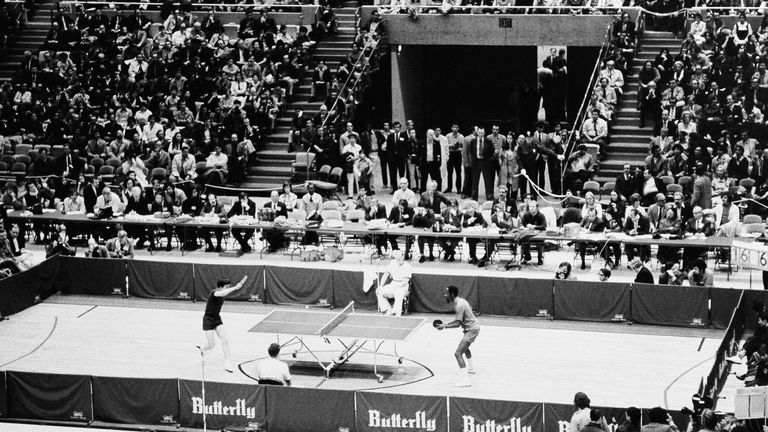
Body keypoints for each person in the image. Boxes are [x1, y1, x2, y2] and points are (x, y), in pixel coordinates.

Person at [200, 276, 248, 373]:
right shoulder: (215, 293)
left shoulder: (221, 293)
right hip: (208, 319)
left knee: (225, 339)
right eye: (227, 287)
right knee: (211, 344)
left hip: (217, 318)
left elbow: (224, 292)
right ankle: (203, 349)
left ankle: (227, 362)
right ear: (221, 287)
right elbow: (222, 293)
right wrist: (235, 288)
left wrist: (234, 288)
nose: (228, 288)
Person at [436, 285, 480, 387]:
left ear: (452, 294)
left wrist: (444, 326)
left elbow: (457, 324)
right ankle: (471, 369)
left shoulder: (459, 305)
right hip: (470, 327)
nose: (445, 295)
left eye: (446, 293)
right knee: (465, 348)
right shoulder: (461, 301)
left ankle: (466, 381)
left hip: (472, 329)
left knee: (458, 353)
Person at [375, 250, 412, 316]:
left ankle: (397, 313)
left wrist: (395, 287)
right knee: (379, 291)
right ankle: (388, 309)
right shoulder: (392, 263)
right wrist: (380, 286)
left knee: (398, 293)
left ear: (402, 256)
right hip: (394, 283)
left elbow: (405, 281)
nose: (398, 260)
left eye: (399, 258)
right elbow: (385, 275)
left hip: (403, 285)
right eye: (396, 258)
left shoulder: (408, 266)